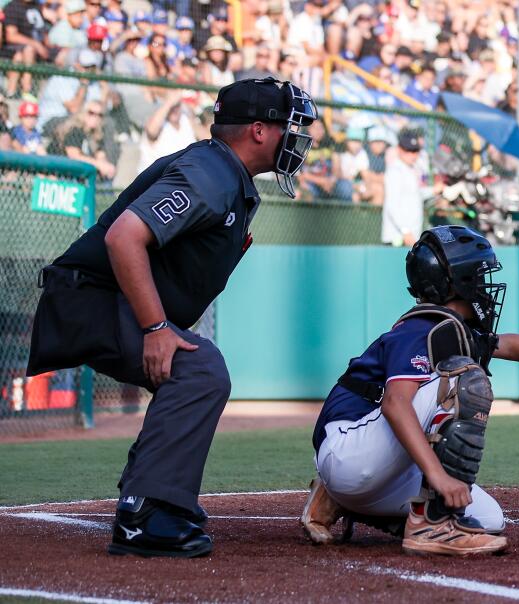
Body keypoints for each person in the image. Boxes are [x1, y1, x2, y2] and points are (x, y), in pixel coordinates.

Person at [26, 78, 317, 558]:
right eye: (291, 128)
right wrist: (157, 329)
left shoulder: (226, 174)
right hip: (89, 298)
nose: (299, 140)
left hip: (103, 297)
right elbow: (124, 238)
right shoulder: (211, 171)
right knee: (199, 367)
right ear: (260, 131)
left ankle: (151, 492)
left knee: (194, 365)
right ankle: (146, 512)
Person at [300, 225, 519, 555]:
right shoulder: (421, 328)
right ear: (456, 281)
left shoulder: (450, 329)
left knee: (488, 519)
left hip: (367, 469)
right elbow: (395, 403)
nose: (485, 285)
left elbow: (509, 345)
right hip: (347, 451)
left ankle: (341, 501)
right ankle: (429, 526)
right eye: (478, 275)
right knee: (465, 380)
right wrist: (437, 475)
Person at [381, 131, 429, 246]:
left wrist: (435, 190)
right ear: (399, 150)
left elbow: (416, 194)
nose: (413, 155)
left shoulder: (412, 169)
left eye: (415, 151)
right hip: (397, 238)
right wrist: (405, 231)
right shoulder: (395, 171)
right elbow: (391, 204)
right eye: (408, 150)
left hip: (411, 237)